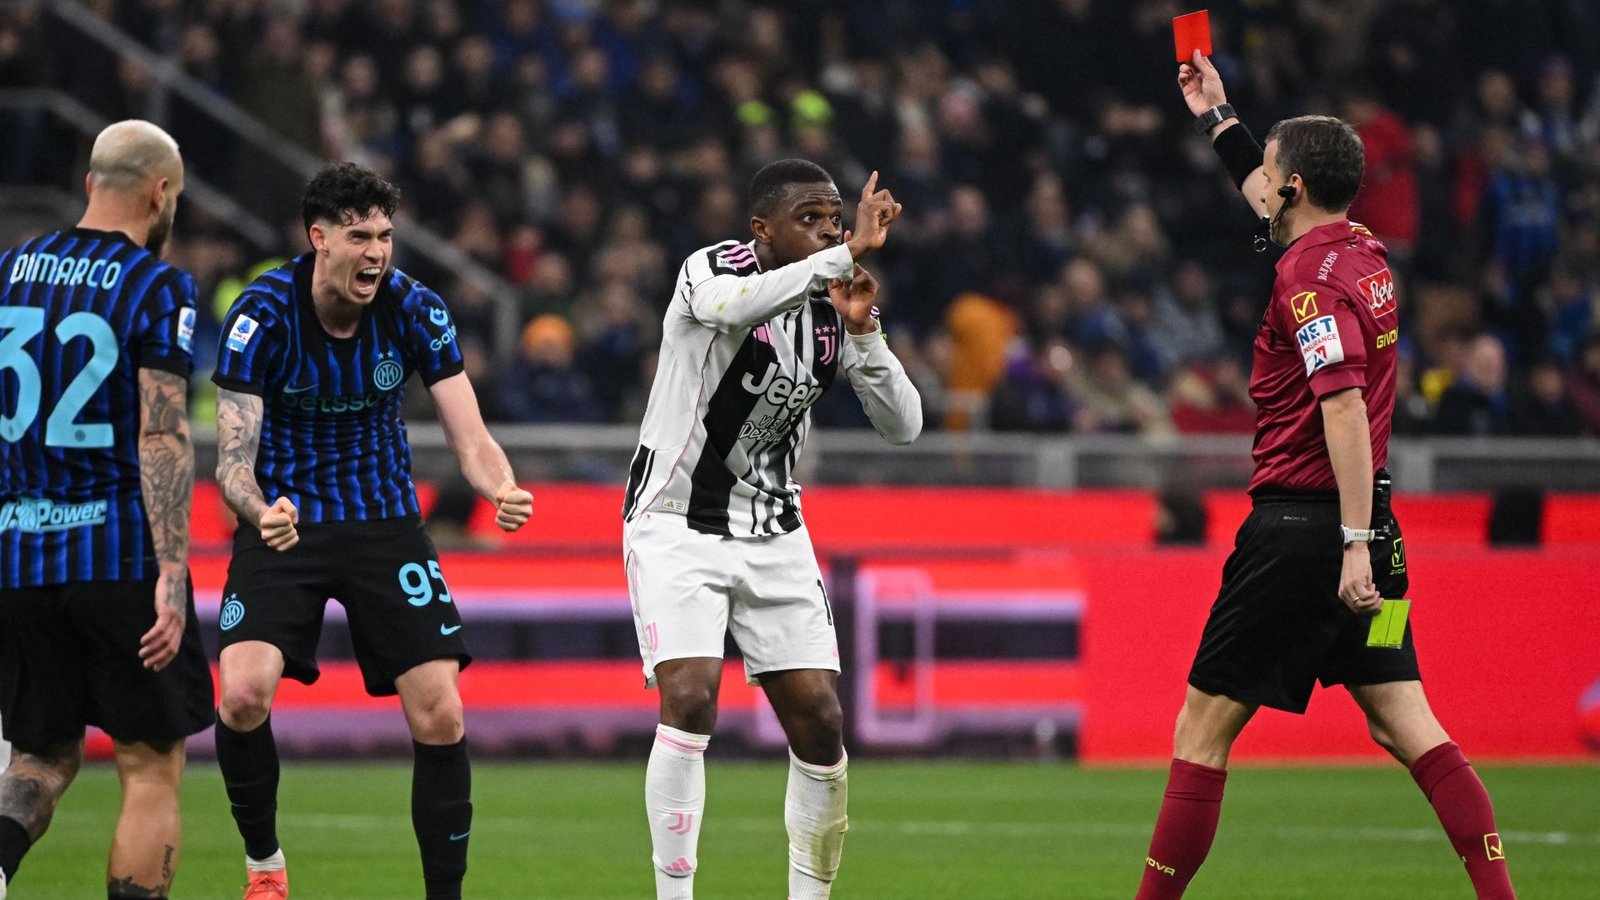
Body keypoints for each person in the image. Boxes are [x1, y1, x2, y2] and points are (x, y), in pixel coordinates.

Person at [1132, 53, 1519, 899]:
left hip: (1307, 536)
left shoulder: (1307, 284)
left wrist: (1345, 546)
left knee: (1201, 728)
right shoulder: (1365, 256)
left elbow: (1341, 408)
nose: (1262, 185)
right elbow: (1267, 202)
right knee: (1403, 717)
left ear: (1295, 184)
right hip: (1379, 536)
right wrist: (1219, 118)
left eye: (1271, 171)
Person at [210, 162, 533, 900]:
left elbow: (470, 432)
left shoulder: (415, 308)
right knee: (242, 696)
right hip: (283, 522)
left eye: (386, 235)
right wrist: (260, 512)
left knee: (442, 711)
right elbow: (231, 459)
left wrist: (500, 486)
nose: (378, 252)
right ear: (318, 237)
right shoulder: (261, 312)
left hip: (383, 521)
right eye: (361, 236)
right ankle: (264, 866)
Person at [622, 159, 921, 900]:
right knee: (690, 697)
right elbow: (734, 309)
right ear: (762, 229)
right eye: (811, 218)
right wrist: (840, 255)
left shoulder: (829, 300)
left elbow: (905, 426)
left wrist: (867, 333)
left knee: (821, 724)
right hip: (675, 522)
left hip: (776, 530)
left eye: (834, 217)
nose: (829, 229)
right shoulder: (709, 270)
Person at [0, 120, 213, 900]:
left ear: (91, 184)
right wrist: (173, 569)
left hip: (17, 552)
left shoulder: (12, 268)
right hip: (116, 552)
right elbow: (161, 432)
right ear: (161, 194)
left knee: (40, 756)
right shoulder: (158, 287)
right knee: (149, 763)